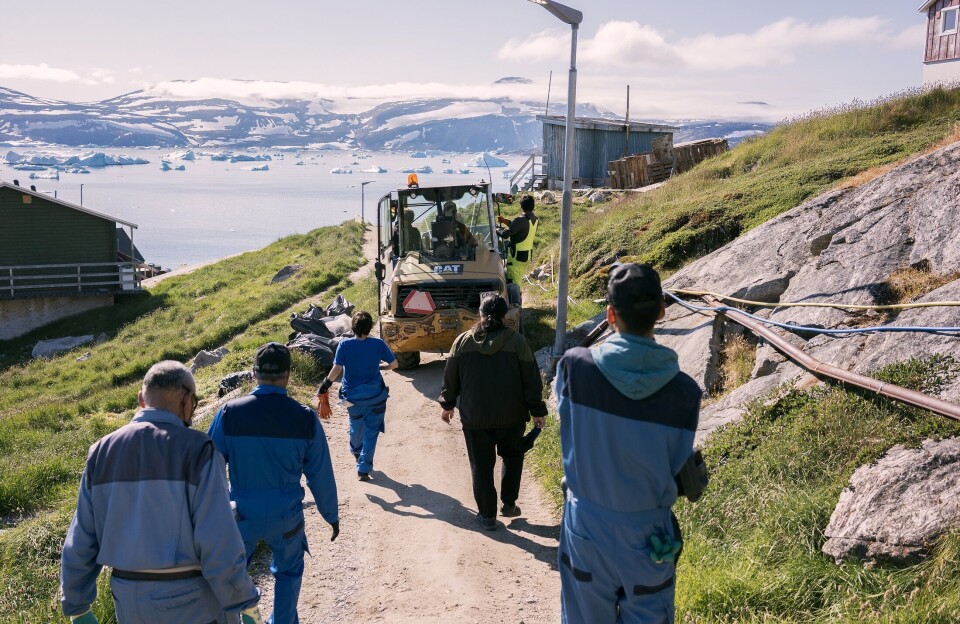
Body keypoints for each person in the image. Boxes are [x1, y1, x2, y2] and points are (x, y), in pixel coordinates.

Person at [60, 361, 264, 624]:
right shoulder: (199, 450)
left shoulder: (100, 452)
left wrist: (77, 607)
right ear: (187, 400)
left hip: (128, 600)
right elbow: (218, 541)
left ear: (141, 400)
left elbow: (80, 540)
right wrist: (245, 602)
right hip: (192, 601)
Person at [554, 263, 700, 624]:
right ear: (662, 311)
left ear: (610, 315)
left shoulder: (575, 368)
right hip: (649, 538)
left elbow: (566, 420)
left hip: (586, 527)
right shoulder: (685, 393)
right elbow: (676, 462)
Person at [207, 342, 339, 624]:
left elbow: (208, 468)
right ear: (288, 374)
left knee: (234, 574)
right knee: (288, 573)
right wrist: (331, 515)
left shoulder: (228, 414)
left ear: (254, 373)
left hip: (241, 513)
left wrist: (209, 515)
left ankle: (244, 618)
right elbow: (320, 473)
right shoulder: (304, 418)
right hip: (286, 514)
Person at [438, 293, 546, 530]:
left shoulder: (462, 341)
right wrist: (537, 410)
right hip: (512, 415)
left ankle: (487, 516)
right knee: (513, 456)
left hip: (475, 417)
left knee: (481, 466)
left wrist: (447, 405)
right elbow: (531, 379)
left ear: (480, 313)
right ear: (505, 316)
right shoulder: (517, 341)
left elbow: (450, 377)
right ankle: (509, 504)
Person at [315, 311, 397, 481]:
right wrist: (381, 367)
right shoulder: (378, 344)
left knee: (355, 425)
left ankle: (356, 450)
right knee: (371, 432)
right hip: (376, 397)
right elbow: (394, 364)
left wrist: (325, 385)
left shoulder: (344, 345)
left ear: (353, 327)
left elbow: (337, 369)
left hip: (352, 398)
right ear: (370, 327)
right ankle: (363, 469)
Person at [496, 194, 538, 284]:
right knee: (518, 278)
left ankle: (517, 292)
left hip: (516, 257)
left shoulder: (520, 220)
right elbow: (520, 228)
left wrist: (497, 229)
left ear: (521, 206)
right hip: (526, 255)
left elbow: (505, 234)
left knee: (515, 282)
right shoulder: (534, 219)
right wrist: (505, 221)